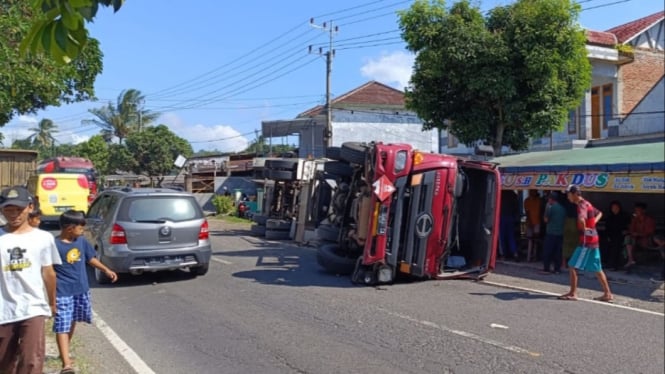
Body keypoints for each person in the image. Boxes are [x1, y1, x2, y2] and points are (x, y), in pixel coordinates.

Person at [0, 186, 61, 374]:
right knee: (4, 361)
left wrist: (51, 302)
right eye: (8, 209)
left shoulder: (43, 238)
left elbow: (48, 272)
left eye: (18, 209)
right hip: (3, 308)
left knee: (31, 360)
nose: (14, 214)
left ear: (29, 207)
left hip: (33, 306)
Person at [52, 210, 118, 374]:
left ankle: (65, 353)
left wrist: (106, 270)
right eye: (80, 228)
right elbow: (47, 270)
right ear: (69, 228)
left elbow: (91, 258)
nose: (83, 231)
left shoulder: (81, 241)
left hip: (80, 289)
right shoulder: (54, 245)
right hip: (62, 292)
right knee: (62, 324)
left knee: (72, 320)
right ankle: (66, 364)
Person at [558, 185, 613, 302]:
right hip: (594, 238)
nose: (567, 196)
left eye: (568, 194)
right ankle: (607, 294)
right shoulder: (588, 203)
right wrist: (592, 225)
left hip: (586, 241)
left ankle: (573, 293)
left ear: (574, 194)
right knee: (597, 268)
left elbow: (581, 219)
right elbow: (599, 213)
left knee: (572, 265)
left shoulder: (581, 205)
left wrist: (586, 228)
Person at [624, 202, 656, 268]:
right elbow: (631, 230)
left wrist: (639, 234)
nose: (636, 212)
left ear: (643, 211)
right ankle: (630, 259)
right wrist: (633, 233)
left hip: (646, 240)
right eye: (635, 210)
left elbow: (650, 232)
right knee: (628, 238)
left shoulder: (649, 220)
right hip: (636, 239)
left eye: (638, 210)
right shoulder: (634, 219)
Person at [541, 191, 566, 274]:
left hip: (551, 232)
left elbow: (546, 220)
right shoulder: (562, 208)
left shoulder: (550, 207)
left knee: (547, 251)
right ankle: (557, 269)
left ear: (551, 199)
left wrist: (545, 212)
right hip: (560, 233)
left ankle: (546, 268)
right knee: (558, 252)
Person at [603, 201, 631, 271]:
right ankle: (606, 262)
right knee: (604, 243)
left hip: (621, 235)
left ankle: (614, 265)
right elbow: (607, 228)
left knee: (616, 244)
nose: (615, 209)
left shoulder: (624, 216)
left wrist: (626, 231)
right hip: (611, 235)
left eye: (616, 208)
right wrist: (608, 236)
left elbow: (628, 227)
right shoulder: (610, 217)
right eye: (613, 208)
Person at [499, 190, 519, 260]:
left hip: (501, 217)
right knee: (511, 236)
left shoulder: (500, 193)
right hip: (511, 217)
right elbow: (516, 207)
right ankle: (515, 253)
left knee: (502, 237)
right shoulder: (513, 194)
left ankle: (503, 254)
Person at [524, 189, 543, 262]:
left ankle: (535, 256)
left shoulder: (539, 200)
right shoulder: (527, 201)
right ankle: (529, 257)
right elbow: (527, 212)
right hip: (530, 223)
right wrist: (530, 222)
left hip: (537, 222)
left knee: (536, 240)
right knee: (530, 240)